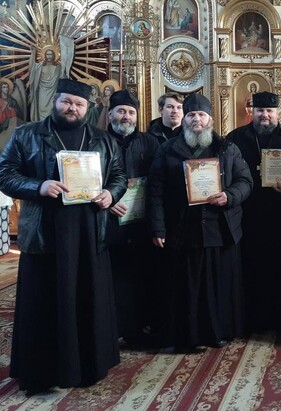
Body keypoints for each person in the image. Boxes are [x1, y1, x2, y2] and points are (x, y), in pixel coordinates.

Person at [0, 79, 127, 393]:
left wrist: (111, 193)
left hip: (88, 232)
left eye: (79, 104)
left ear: (87, 108)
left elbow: (118, 175)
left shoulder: (102, 138)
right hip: (45, 232)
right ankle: (41, 371)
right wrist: (38, 186)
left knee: (87, 297)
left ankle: (88, 366)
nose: (72, 108)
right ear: (55, 101)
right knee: (44, 301)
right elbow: (5, 173)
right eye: (67, 102)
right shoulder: (27, 134)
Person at [148, 93, 253, 352]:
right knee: (186, 286)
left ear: (210, 119)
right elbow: (155, 191)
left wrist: (229, 196)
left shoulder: (226, 147)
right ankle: (188, 335)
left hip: (219, 227)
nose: (196, 119)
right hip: (182, 229)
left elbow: (245, 181)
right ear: (185, 119)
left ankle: (217, 333)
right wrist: (158, 227)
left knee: (217, 284)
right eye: (192, 115)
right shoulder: (167, 150)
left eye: (202, 115)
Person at [225, 91, 281, 333]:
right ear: (253, 112)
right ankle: (252, 321)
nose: (265, 115)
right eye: (260, 110)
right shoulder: (235, 138)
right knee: (251, 268)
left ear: (278, 112)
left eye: (270, 111)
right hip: (248, 215)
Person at [104, 90, 161, 347]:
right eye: (121, 111)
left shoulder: (150, 143)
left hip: (141, 222)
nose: (126, 117)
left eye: (131, 112)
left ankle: (139, 329)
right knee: (112, 278)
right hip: (108, 222)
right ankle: (112, 329)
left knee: (142, 276)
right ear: (110, 114)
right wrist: (106, 199)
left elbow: (159, 180)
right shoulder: (98, 141)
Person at [28, 39, 73, 122]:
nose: (49, 56)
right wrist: (33, 53)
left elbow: (64, 76)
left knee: (52, 111)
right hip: (42, 93)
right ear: (44, 55)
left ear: (54, 55)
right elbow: (31, 70)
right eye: (47, 54)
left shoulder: (58, 67)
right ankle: (42, 126)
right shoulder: (40, 66)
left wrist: (68, 51)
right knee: (41, 109)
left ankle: (51, 127)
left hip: (54, 93)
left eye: (51, 54)